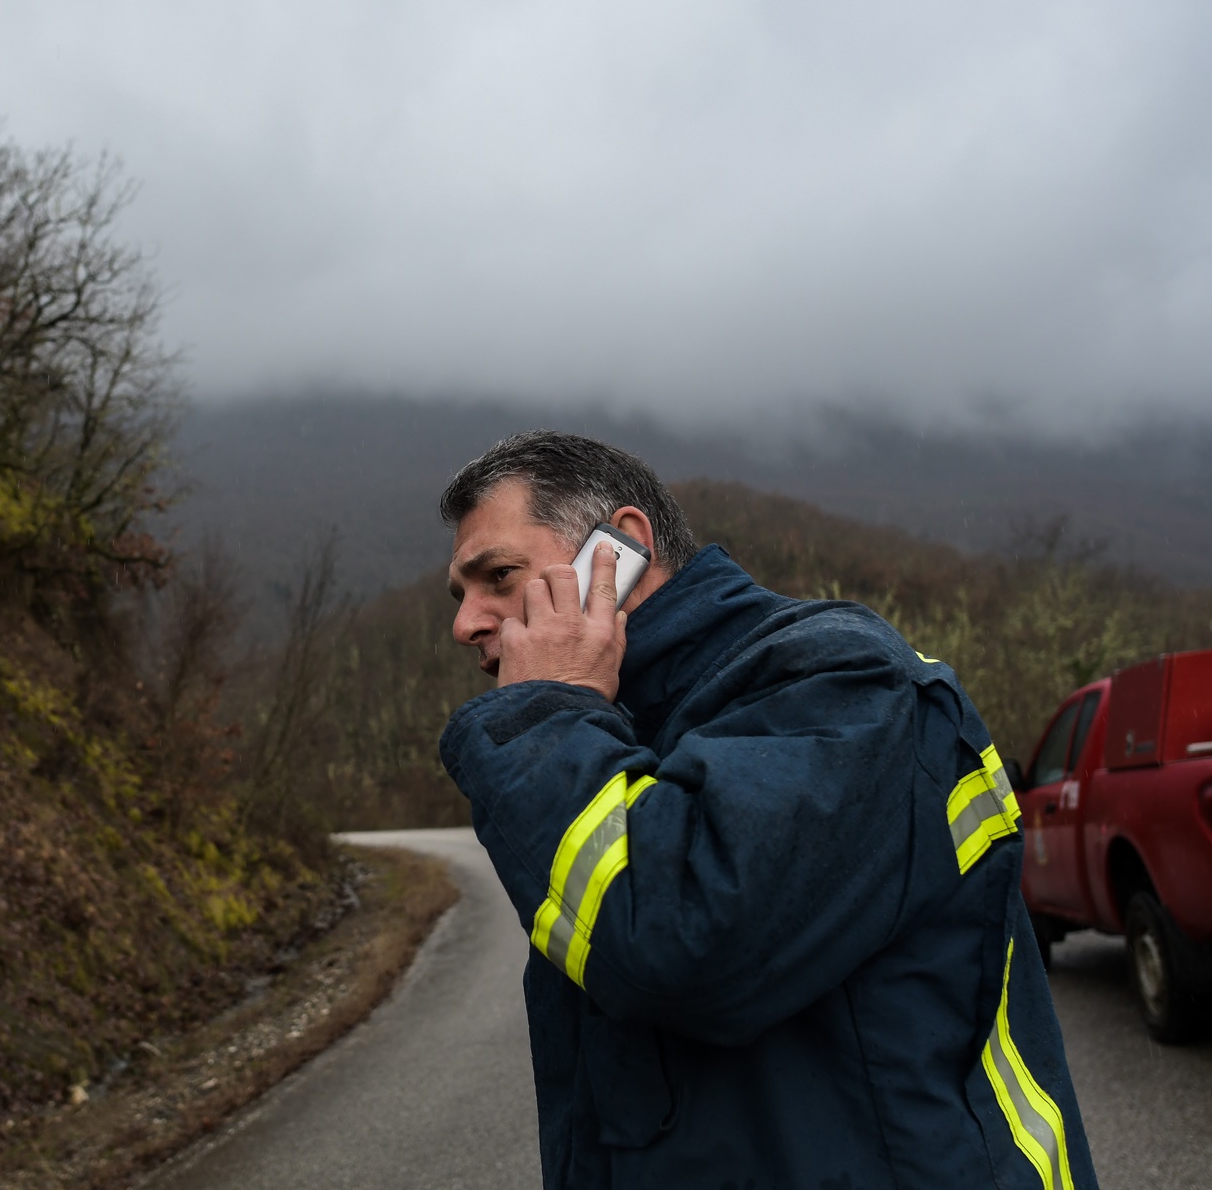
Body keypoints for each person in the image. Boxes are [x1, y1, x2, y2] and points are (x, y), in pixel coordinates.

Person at [439, 431, 1097, 1189]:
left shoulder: (843, 681)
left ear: (619, 549)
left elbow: (673, 938)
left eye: (498, 575)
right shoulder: (616, 740)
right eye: (461, 596)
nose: (466, 623)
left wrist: (547, 713)